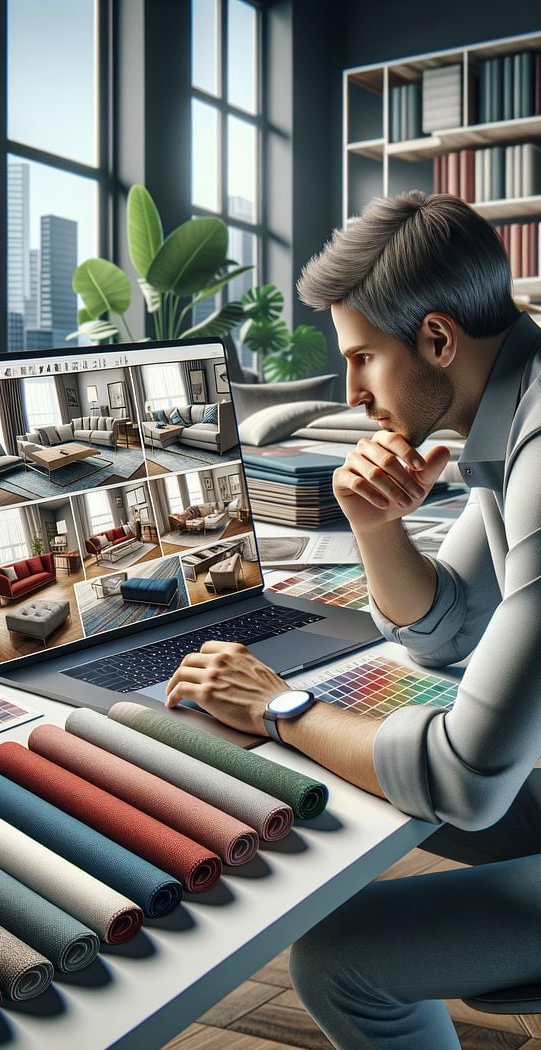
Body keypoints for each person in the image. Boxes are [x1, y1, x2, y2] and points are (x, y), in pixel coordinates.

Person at [166, 190, 541, 1049]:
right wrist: (376, 525)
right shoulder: (511, 410)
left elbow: (466, 781)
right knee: (346, 783)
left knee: (338, 956)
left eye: (364, 359)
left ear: (438, 339)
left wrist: (281, 709)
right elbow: (451, 630)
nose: (352, 392)